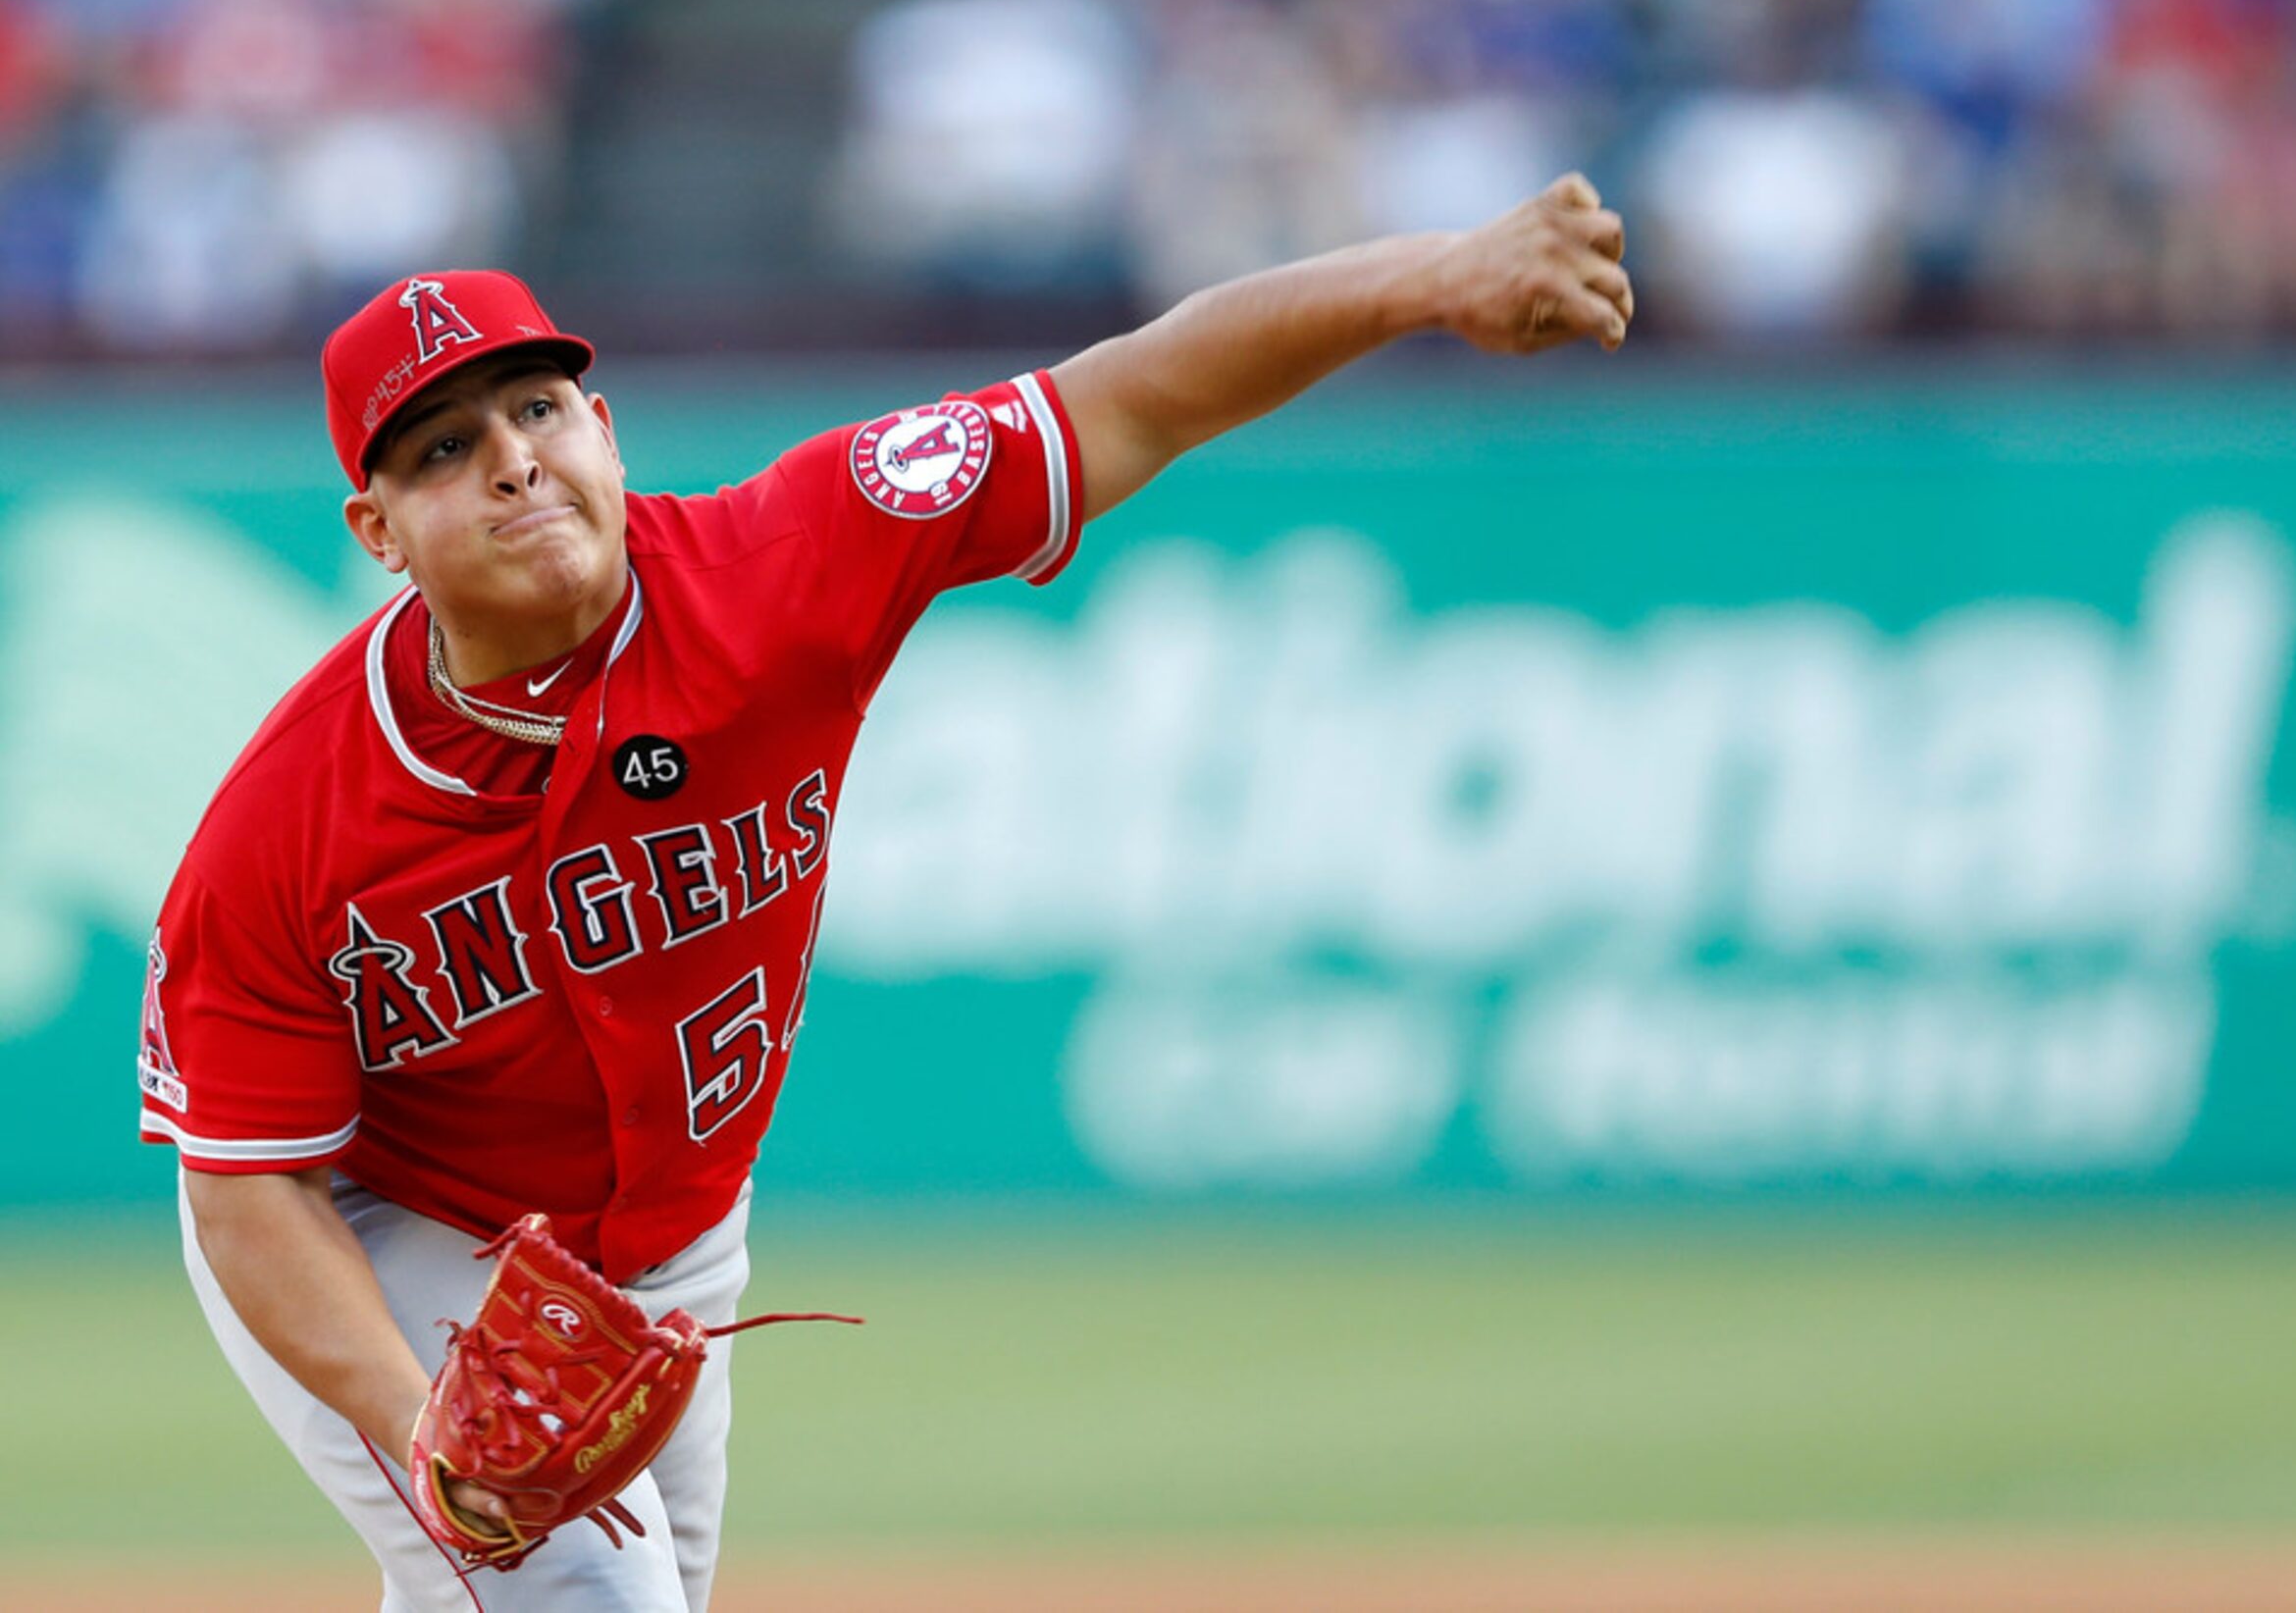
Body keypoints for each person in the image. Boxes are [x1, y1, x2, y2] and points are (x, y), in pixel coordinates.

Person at [135, 175, 1635, 1611]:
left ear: (603, 426)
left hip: (669, 1251)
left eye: (534, 410)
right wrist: (426, 1426)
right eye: (444, 447)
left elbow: (1137, 392)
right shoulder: (289, 823)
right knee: (583, 1590)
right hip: (389, 1225)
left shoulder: (790, 555)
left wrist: (1429, 274)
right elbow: (246, 1183)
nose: (513, 457)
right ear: (377, 532)